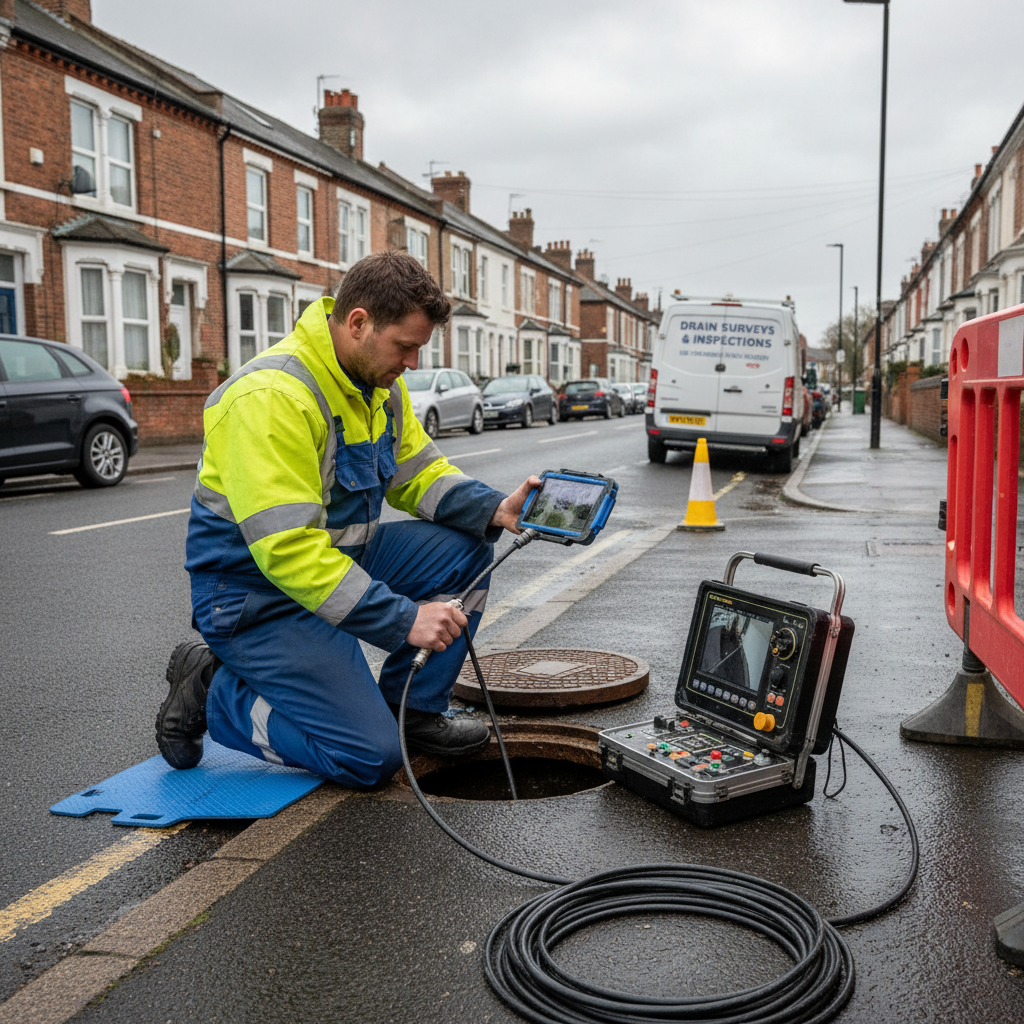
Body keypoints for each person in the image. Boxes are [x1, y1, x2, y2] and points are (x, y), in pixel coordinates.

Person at [156, 250, 540, 788]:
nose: (411, 363)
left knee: (468, 551)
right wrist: (403, 619)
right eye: (405, 347)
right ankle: (215, 688)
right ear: (358, 322)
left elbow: (416, 472)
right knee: (368, 758)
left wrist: (494, 508)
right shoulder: (271, 398)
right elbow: (287, 549)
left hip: (334, 566)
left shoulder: (377, 383)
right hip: (254, 596)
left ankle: (412, 709)